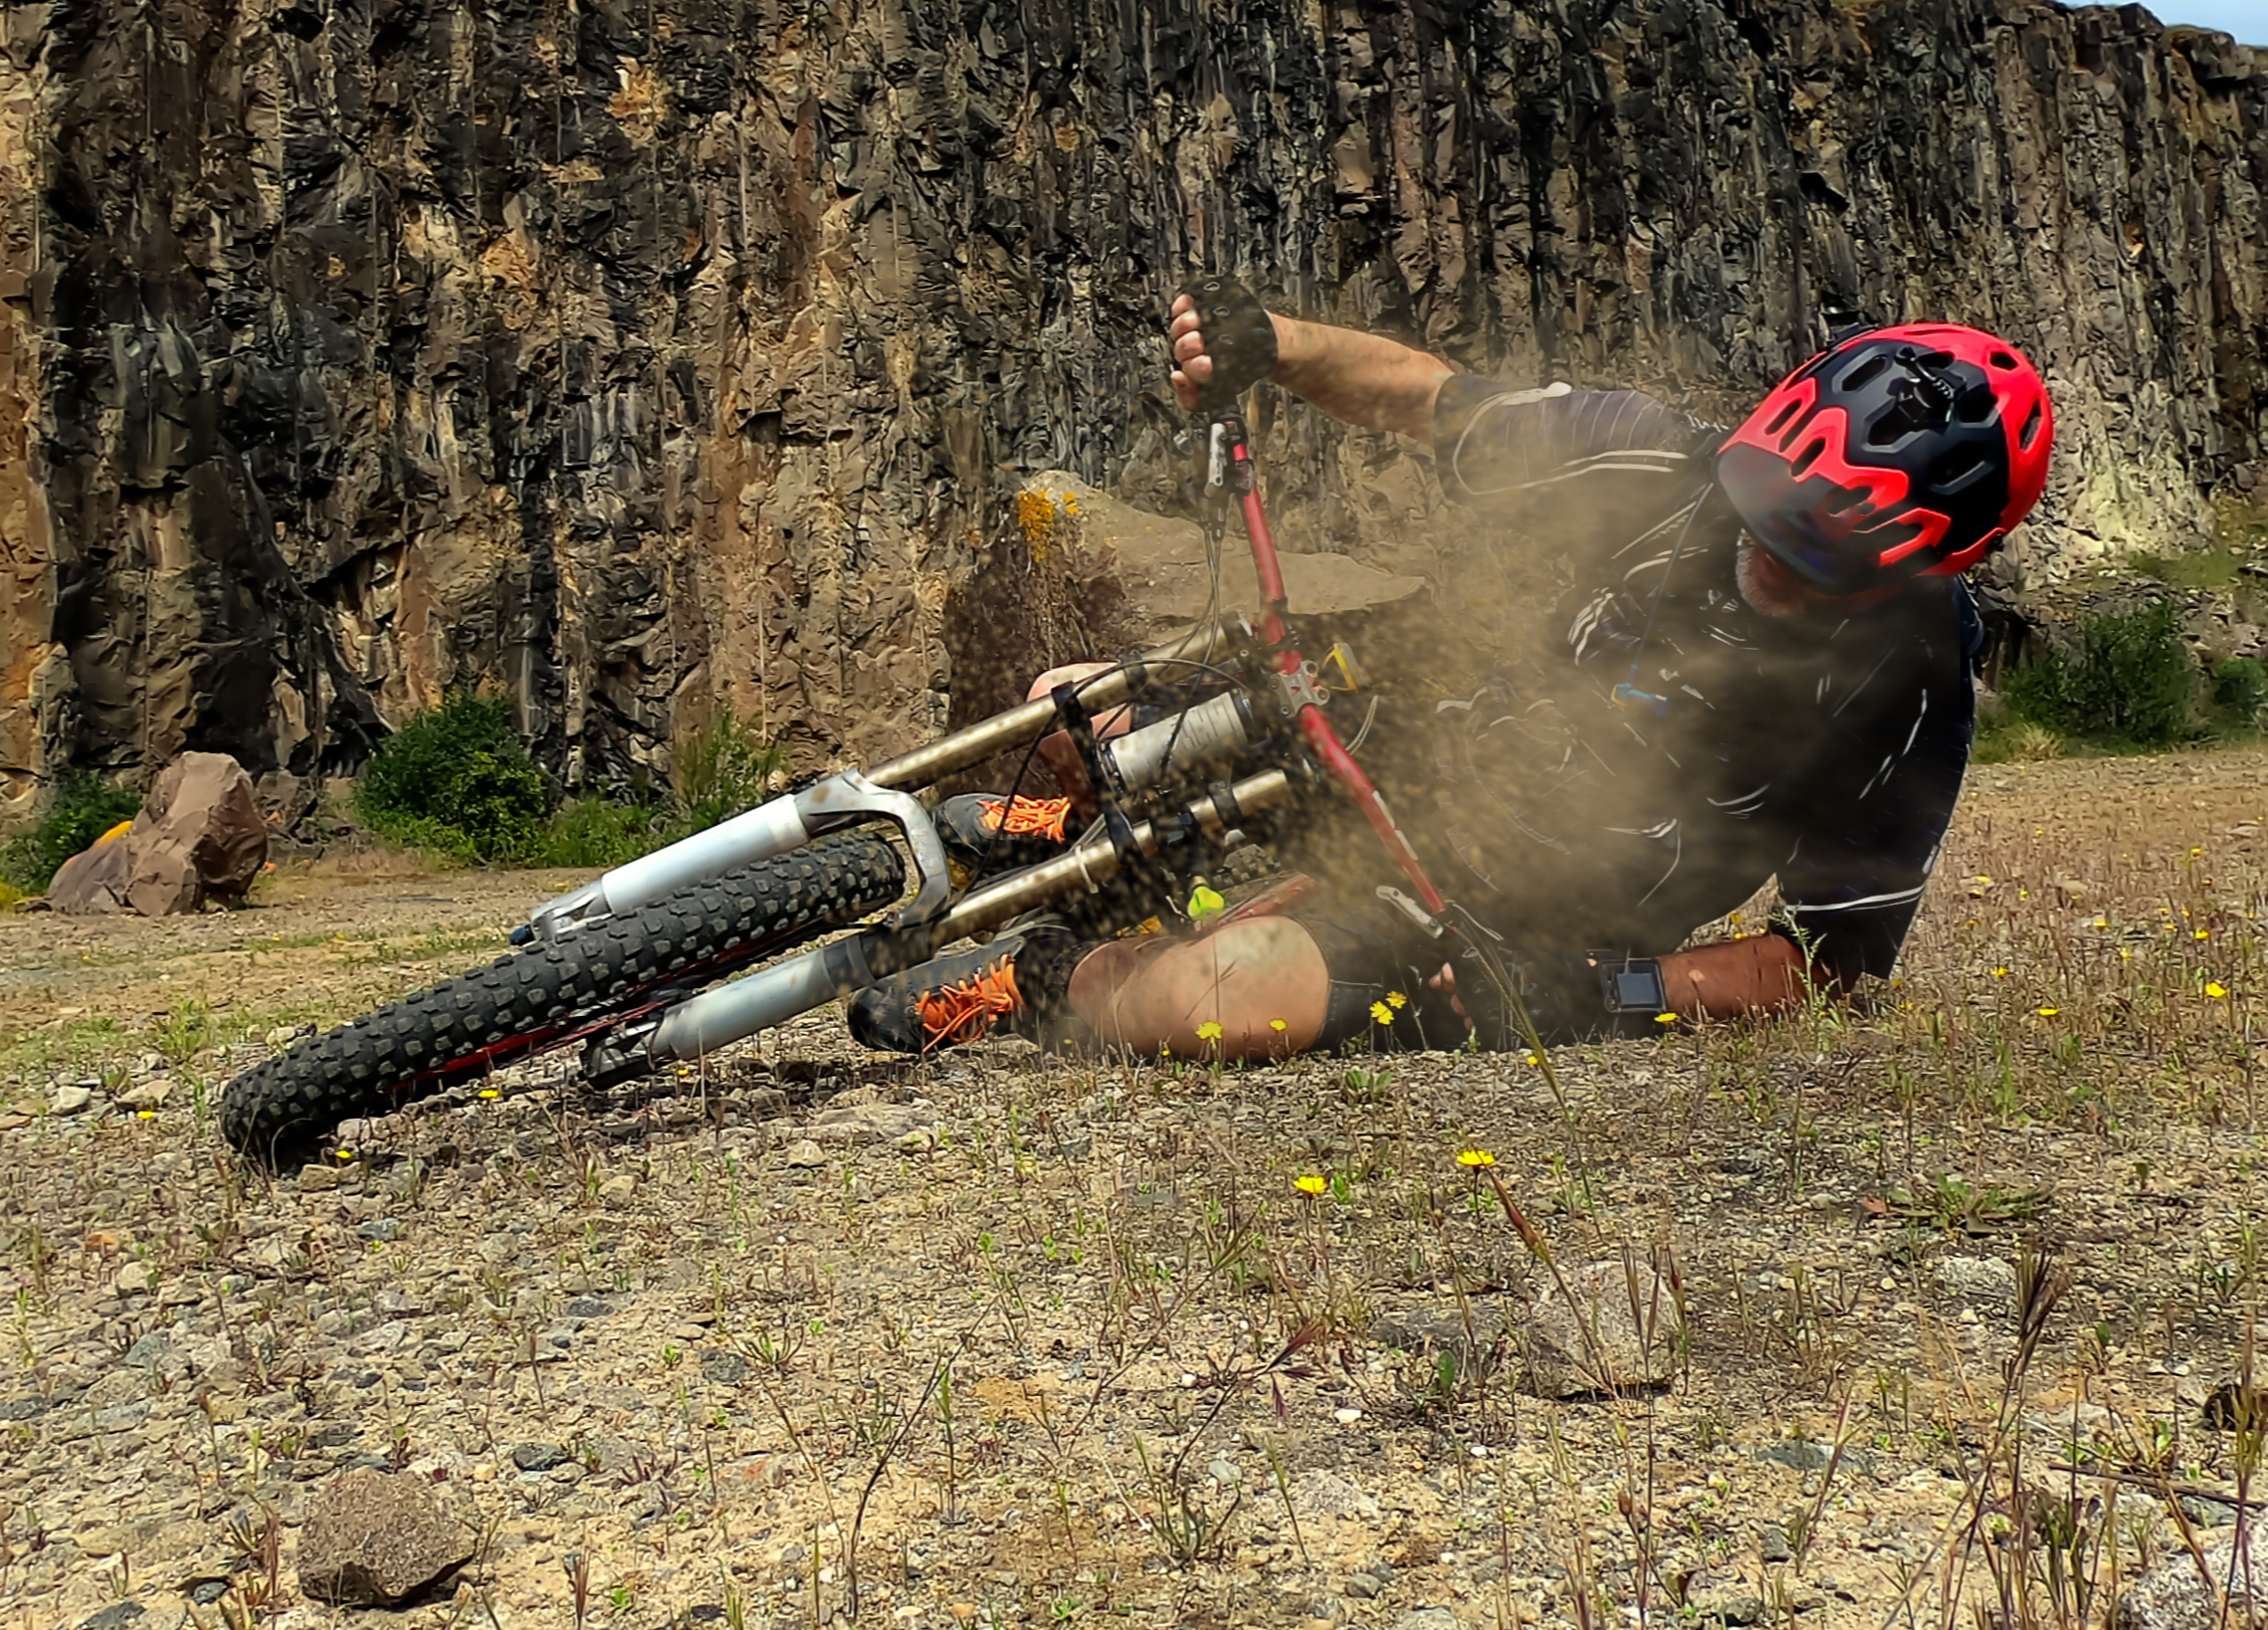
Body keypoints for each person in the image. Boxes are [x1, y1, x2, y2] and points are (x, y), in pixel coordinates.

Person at [849, 284, 2054, 1056]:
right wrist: (1270, 342)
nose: (1770, 557)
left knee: (1208, 1002)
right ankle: (1067, 819)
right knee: (1071, 696)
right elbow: (1429, 401)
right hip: (1380, 735)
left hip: (1495, 919)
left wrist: (1612, 992)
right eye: (1764, 506)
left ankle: (1038, 971)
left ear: (1926, 564)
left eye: (1822, 551)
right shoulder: (1645, 454)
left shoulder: (1912, 681)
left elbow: (1825, 968)